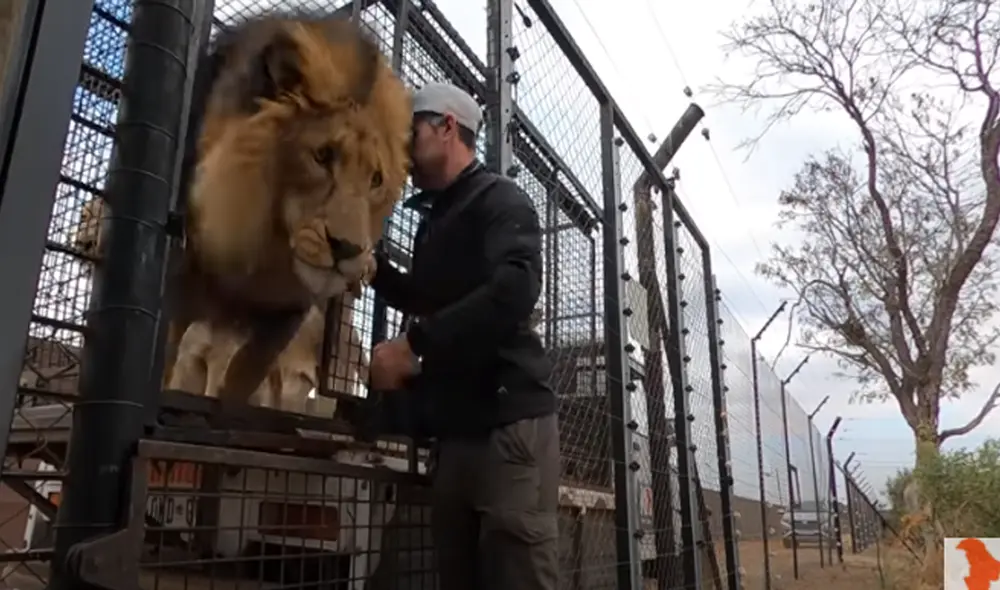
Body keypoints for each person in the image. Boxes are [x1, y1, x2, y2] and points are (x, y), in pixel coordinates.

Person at [367, 82, 559, 590]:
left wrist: (414, 346)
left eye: (410, 132)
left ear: (447, 126)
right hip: (455, 432)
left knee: (518, 576)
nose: (402, 148)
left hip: (508, 423)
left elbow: (515, 288)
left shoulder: (500, 199)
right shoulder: (434, 220)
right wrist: (373, 271)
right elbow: (430, 301)